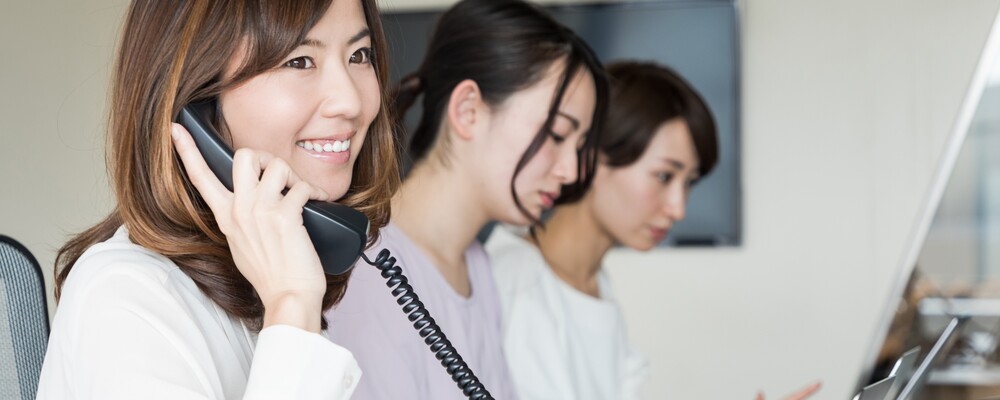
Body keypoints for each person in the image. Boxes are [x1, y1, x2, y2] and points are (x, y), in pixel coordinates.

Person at [37, 1, 399, 398]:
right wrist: (292, 305)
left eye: (359, 55)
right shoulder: (125, 300)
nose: (349, 101)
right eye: (299, 62)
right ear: (199, 104)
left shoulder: (264, 289)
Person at [485, 61, 820, 400]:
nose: (678, 208)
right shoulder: (519, 282)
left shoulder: (592, 282)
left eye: (688, 183)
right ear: (591, 157)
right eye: (663, 176)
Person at [324, 0, 608, 398]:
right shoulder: (365, 274)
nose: (572, 171)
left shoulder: (477, 267)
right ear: (469, 110)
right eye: (558, 134)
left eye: (579, 146)